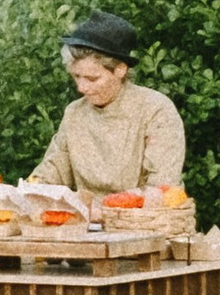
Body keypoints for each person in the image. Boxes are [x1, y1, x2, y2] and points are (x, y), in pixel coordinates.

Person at [28, 10, 186, 192]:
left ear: (120, 70)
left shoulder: (156, 109)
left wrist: (103, 210)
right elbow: (52, 168)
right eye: (77, 76)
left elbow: (162, 187)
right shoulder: (75, 112)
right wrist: (30, 188)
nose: (81, 87)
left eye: (92, 78)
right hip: (85, 217)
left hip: (141, 217)